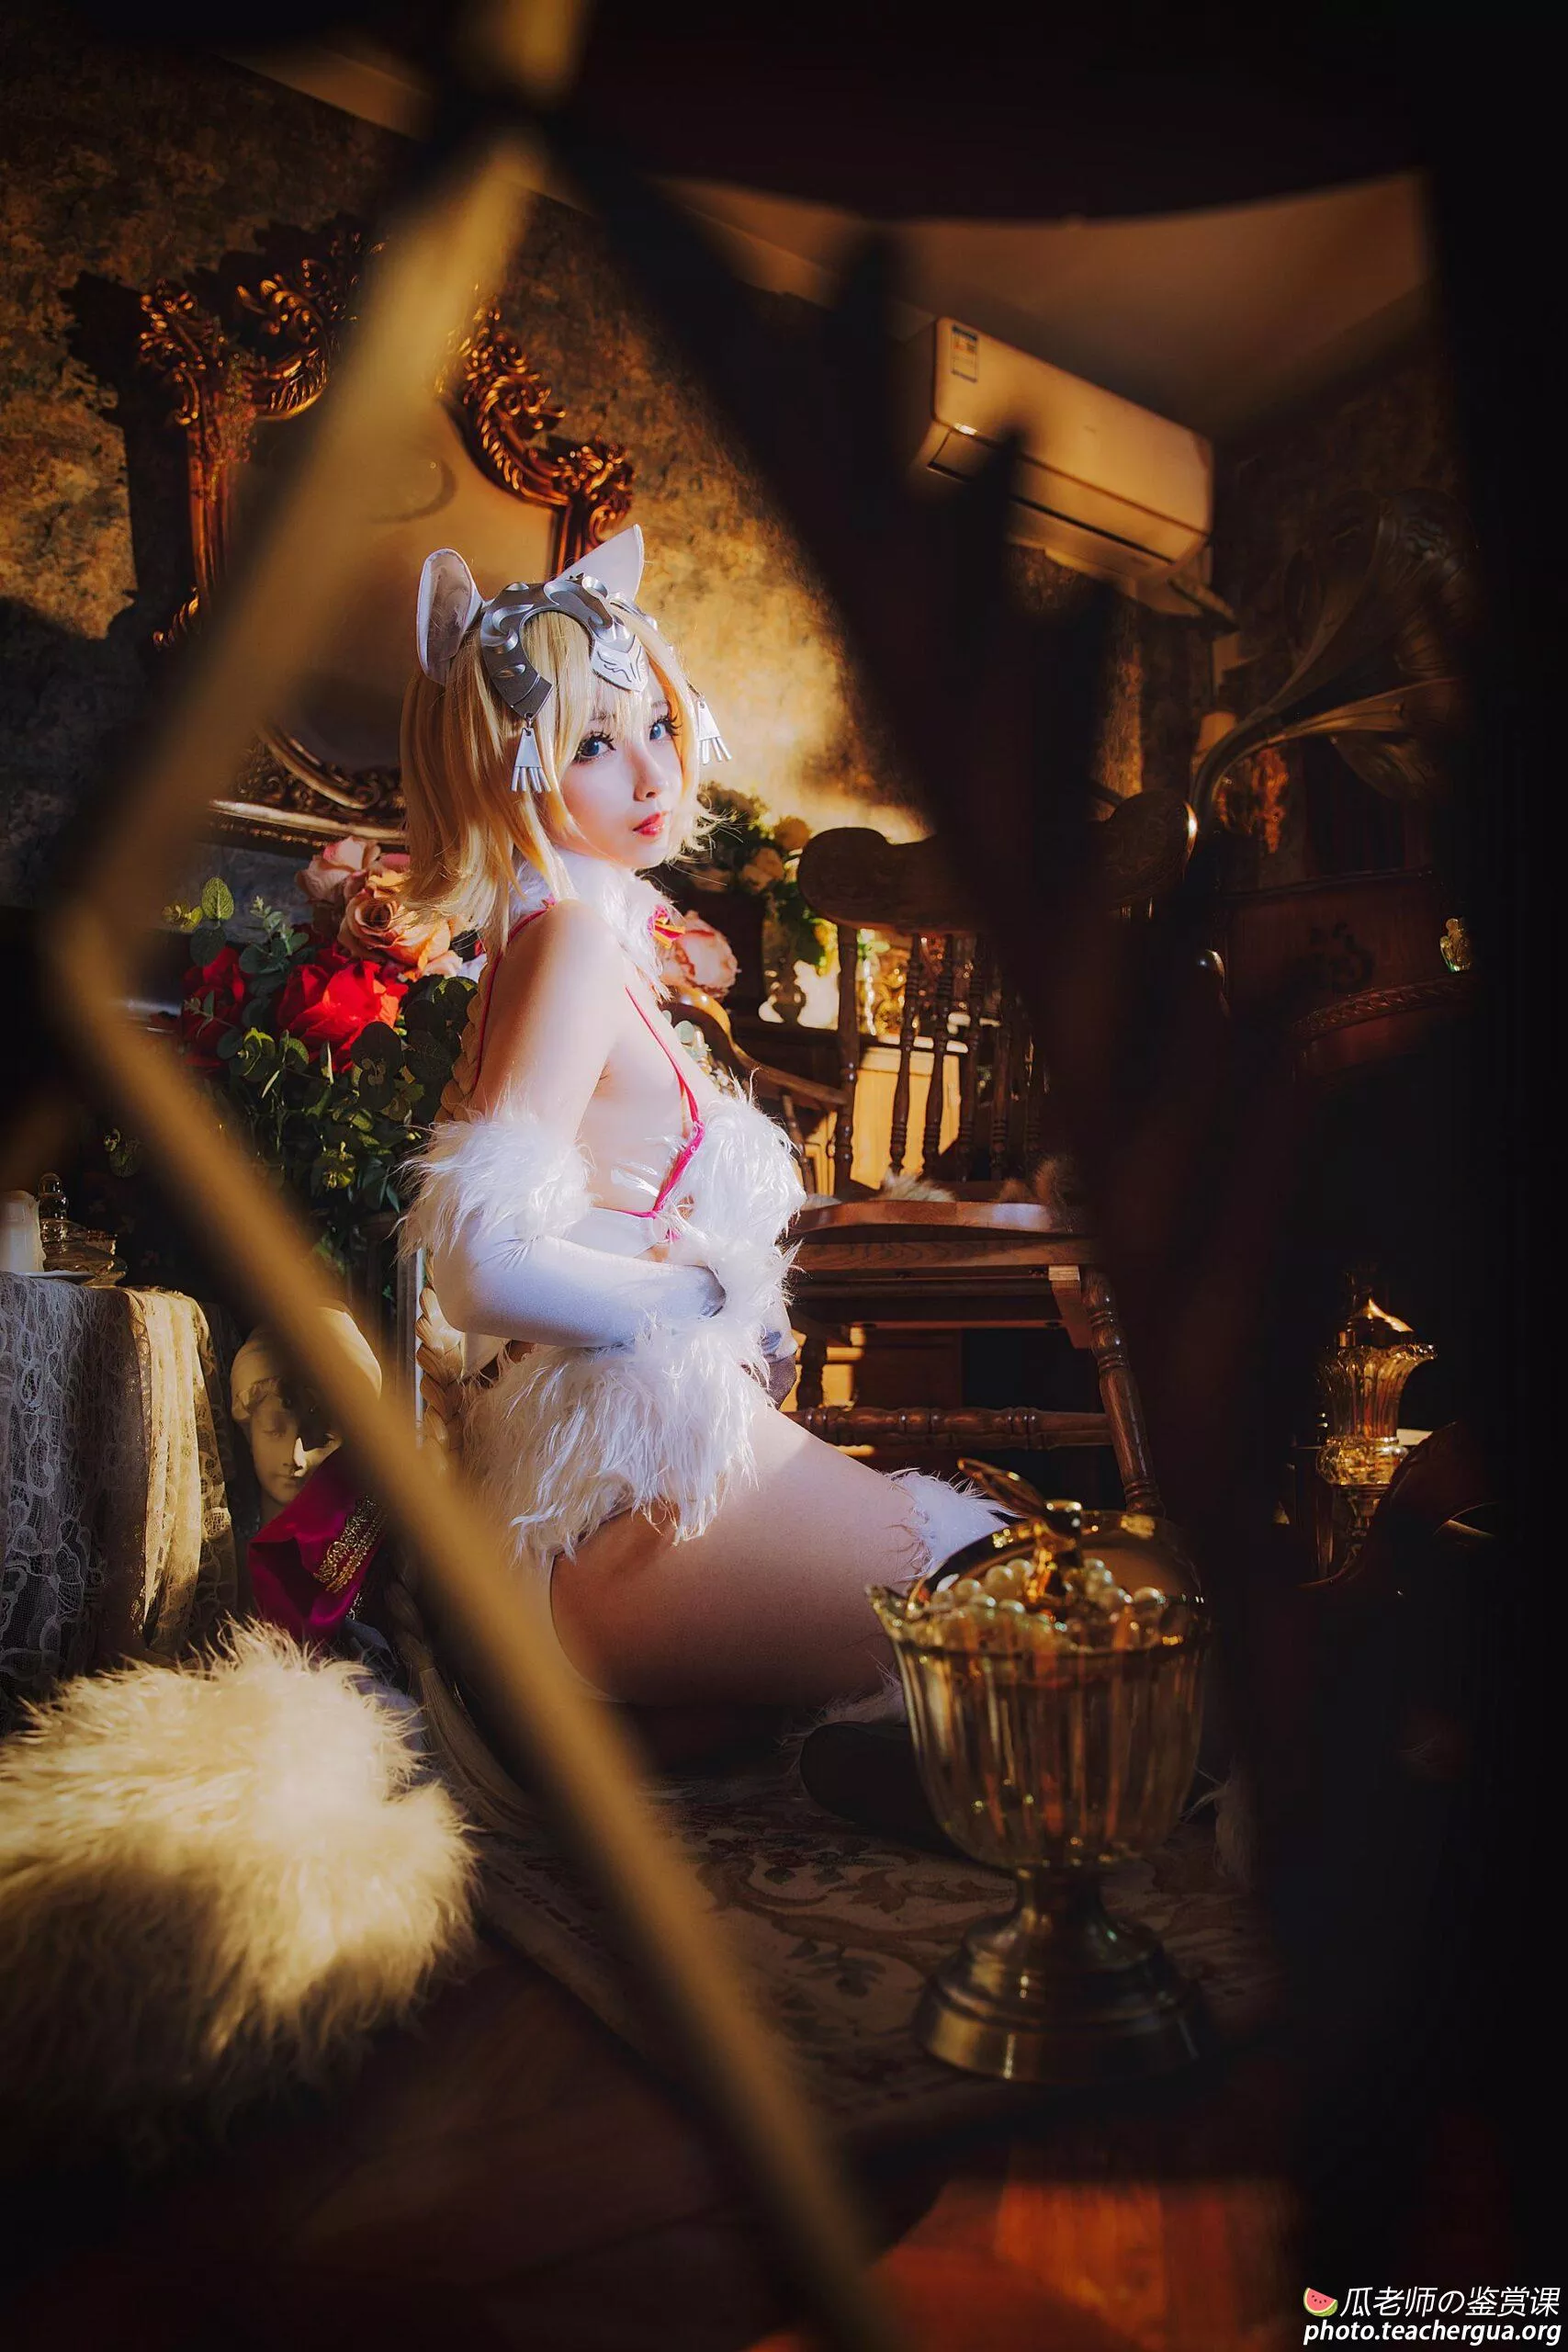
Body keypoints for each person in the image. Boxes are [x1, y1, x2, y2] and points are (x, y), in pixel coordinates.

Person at [400, 527, 999, 1714]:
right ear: (504, 765)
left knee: (1014, 1603)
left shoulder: (586, 945)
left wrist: (722, 1315)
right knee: (1026, 1620)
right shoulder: (570, 946)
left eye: (658, 728)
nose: (651, 774)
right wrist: (708, 1301)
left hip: (618, 1481)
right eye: (592, 743)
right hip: (613, 1503)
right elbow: (477, 1269)